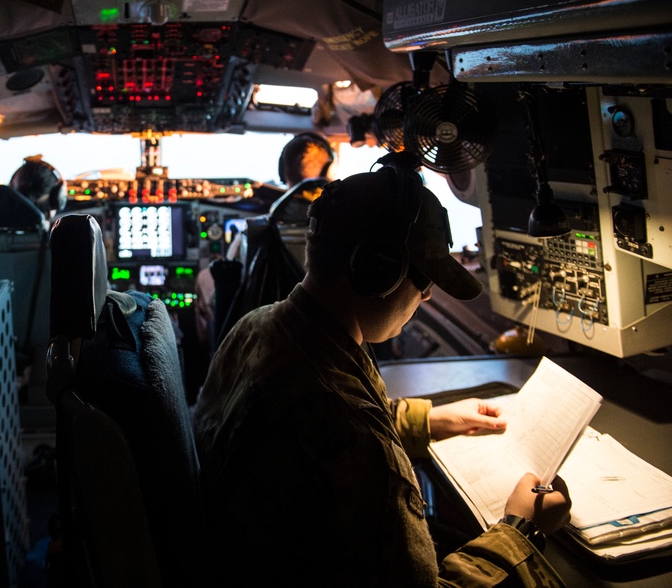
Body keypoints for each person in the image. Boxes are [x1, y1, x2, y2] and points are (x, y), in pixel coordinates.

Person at [192, 164, 571, 586]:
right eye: (423, 276)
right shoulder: (348, 434)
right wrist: (520, 529)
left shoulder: (259, 327)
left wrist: (427, 421)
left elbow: (312, 426)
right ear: (378, 270)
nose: (427, 293)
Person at [193, 132, 335, 354]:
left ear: (283, 172)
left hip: (267, 349)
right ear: (327, 171)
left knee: (204, 279)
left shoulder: (254, 235)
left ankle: (206, 369)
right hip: (332, 346)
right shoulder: (347, 226)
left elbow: (230, 300)